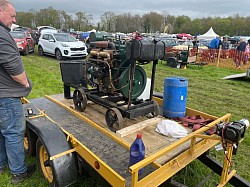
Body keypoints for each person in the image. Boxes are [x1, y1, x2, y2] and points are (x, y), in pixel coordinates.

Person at [0, 0, 35, 184]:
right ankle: (18, 173)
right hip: (6, 96)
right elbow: (14, 69)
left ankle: (1, 164)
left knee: (2, 131)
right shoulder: (2, 35)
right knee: (13, 133)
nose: (14, 20)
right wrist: (25, 83)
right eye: (12, 15)